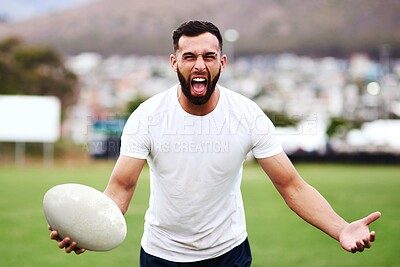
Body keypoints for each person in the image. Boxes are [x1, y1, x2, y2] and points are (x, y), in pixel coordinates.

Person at [50, 20, 381, 266]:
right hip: (161, 254)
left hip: (229, 253)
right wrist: (88, 227)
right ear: (174, 62)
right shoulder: (147, 116)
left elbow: (292, 186)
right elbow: (121, 186)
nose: (199, 65)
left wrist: (341, 229)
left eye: (209, 57)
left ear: (222, 62)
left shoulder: (247, 115)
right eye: (189, 56)